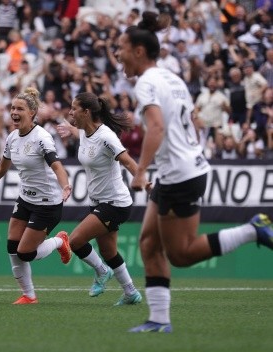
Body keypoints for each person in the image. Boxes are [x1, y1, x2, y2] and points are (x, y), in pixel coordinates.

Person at [116, 11, 273, 333]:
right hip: (183, 168)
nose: (117, 55)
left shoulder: (147, 82)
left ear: (138, 51)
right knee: (148, 242)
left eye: (120, 48)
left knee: (182, 254)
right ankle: (159, 321)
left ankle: (252, 230)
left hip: (180, 175)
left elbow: (157, 127)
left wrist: (140, 171)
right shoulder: (172, 77)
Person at [0, 87, 72, 305]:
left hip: (47, 204)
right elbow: (0, 169)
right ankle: (29, 296)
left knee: (25, 252)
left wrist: (66, 185)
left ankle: (59, 241)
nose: (14, 112)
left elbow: (57, 166)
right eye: (12, 108)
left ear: (32, 113)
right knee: (12, 248)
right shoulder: (12, 138)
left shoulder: (42, 138)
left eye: (19, 108)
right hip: (25, 199)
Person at [56, 92, 146, 305]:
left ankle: (102, 271)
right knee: (108, 251)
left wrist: (145, 182)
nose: (70, 112)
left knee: (76, 240)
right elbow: (85, 138)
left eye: (74, 109)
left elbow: (128, 161)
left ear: (86, 112)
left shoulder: (106, 136)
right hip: (98, 201)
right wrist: (71, 129)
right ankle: (131, 293)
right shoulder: (86, 132)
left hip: (114, 203)